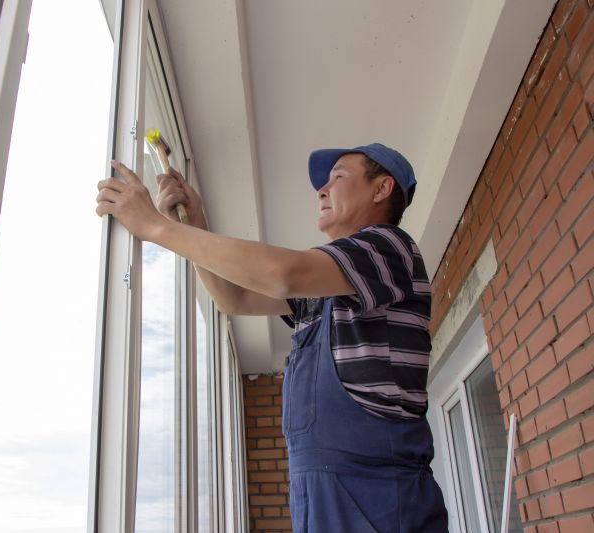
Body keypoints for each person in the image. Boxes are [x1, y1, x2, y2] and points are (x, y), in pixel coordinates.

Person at [96, 142, 449, 532]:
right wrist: (192, 221)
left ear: (381, 189)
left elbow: (283, 274)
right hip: (322, 501)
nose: (321, 190)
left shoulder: (390, 247)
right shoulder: (330, 291)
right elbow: (236, 297)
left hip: (383, 501)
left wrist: (157, 229)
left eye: (338, 177)